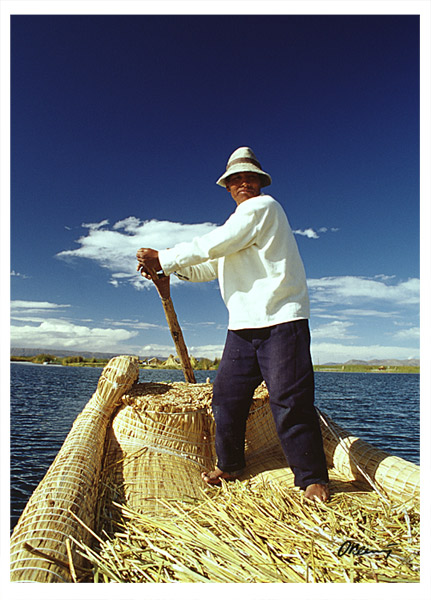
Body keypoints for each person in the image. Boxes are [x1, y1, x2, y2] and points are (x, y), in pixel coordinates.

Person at [136, 147, 330, 502]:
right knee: (226, 398)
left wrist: (164, 257)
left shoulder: (263, 208)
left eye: (249, 177)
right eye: (236, 179)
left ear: (260, 182)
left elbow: (214, 244)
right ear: (227, 186)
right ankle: (230, 464)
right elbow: (206, 267)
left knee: (289, 401)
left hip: (281, 321)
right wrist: (168, 271)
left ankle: (312, 477)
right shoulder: (237, 229)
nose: (243, 183)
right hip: (242, 328)